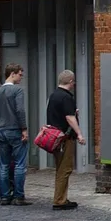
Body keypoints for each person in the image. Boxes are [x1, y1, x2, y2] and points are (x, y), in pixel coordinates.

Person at [46, 69, 86, 210]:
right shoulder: (66, 97)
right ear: (71, 82)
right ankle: (60, 200)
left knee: (60, 167)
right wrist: (79, 134)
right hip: (64, 138)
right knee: (65, 168)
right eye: (73, 81)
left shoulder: (53, 95)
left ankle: (61, 197)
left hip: (54, 137)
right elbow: (69, 117)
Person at [0, 65, 29, 205]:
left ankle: (4, 196)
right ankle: (18, 196)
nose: (21, 77)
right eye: (20, 75)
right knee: (20, 164)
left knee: (4, 164)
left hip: (2, 130)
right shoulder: (17, 90)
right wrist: (24, 129)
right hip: (15, 129)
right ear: (12, 74)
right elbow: (20, 110)